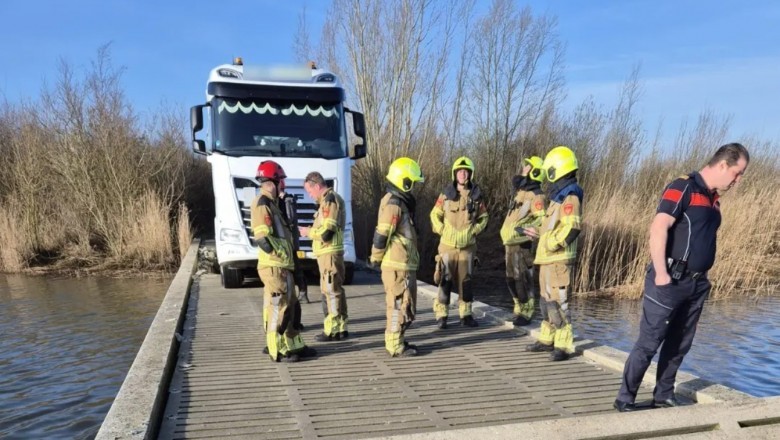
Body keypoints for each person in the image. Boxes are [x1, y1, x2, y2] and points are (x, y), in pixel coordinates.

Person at [614, 143, 749, 412]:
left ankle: (663, 395)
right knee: (650, 342)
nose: (738, 180)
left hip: (697, 284)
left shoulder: (713, 199)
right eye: (737, 173)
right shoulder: (683, 187)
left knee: (679, 344)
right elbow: (658, 227)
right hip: (669, 280)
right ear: (723, 165)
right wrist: (661, 273)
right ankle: (625, 398)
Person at [251, 160, 316, 363]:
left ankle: (294, 344)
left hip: (283, 265)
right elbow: (262, 238)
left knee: (291, 306)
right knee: (278, 308)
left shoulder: (272, 204)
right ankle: (277, 349)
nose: (284, 185)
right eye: (281, 181)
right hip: (274, 266)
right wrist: (279, 254)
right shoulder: (262, 204)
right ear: (273, 182)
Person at [523, 146, 583, 362]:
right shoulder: (559, 197)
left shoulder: (570, 197)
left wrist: (550, 243)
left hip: (558, 260)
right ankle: (547, 338)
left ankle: (563, 345)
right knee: (546, 301)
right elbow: (552, 227)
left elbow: (572, 228)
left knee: (559, 303)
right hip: (548, 260)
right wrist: (537, 232)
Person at [369, 157, 425, 357]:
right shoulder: (394, 204)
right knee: (398, 305)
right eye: (412, 182)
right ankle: (394, 344)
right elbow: (382, 234)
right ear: (404, 181)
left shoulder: (399, 202)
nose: (413, 187)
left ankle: (397, 338)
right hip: (397, 265)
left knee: (405, 305)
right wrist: (375, 258)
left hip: (403, 264)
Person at [430, 157, 489, 329]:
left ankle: (466, 315)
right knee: (445, 281)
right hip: (447, 247)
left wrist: (474, 230)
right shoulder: (445, 195)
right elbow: (434, 215)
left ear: (470, 174)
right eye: (459, 171)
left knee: (466, 282)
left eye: (465, 171)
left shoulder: (476, 196)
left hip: (467, 248)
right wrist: (441, 229)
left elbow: (484, 218)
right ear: (454, 174)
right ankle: (442, 316)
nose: (462, 174)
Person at [299, 171, 349, 342]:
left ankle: (332, 329)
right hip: (329, 253)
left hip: (329, 253)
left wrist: (308, 232)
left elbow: (327, 232)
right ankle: (340, 327)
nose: (310, 195)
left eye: (310, 191)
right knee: (335, 290)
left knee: (330, 291)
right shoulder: (329, 200)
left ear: (317, 185)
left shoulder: (329, 201)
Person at [500, 156, 546, 326]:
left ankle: (527, 311)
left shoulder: (536, 196)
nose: (524, 168)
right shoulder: (520, 192)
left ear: (535, 172)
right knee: (510, 278)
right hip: (510, 243)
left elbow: (541, 220)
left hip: (522, 243)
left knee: (522, 278)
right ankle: (518, 307)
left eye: (528, 167)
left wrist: (524, 230)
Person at [279, 179, 309, 304]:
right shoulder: (284, 200)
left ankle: (302, 292)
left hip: (290, 240)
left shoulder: (287, 200)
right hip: (286, 240)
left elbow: (290, 218)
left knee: (295, 267)